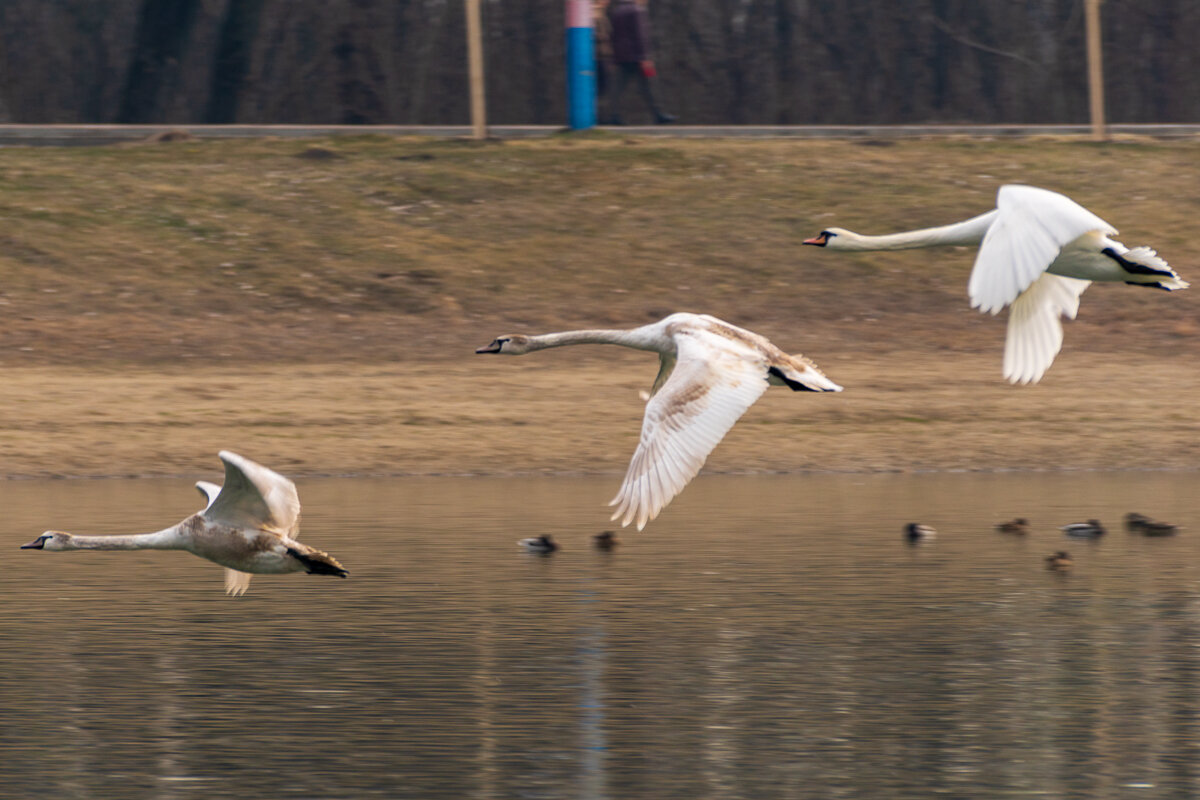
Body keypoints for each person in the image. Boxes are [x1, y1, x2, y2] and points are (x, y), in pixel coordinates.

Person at [604, 0, 675, 125]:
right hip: (637, 57)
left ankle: (613, 115)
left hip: (621, 57)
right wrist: (645, 57)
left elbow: (613, 35)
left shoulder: (617, 11)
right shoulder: (637, 11)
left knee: (617, 88)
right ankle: (658, 114)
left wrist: (614, 57)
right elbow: (640, 35)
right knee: (648, 86)